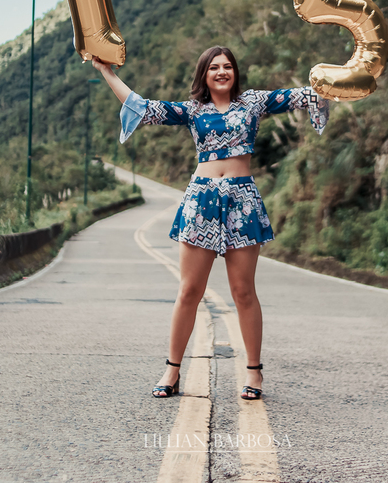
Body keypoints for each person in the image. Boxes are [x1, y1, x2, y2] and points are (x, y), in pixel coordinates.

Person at [92, 46, 329, 400]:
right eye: (214, 67)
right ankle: (171, 372)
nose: (222, 71)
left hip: (242, 201)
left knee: (243, 291)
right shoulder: (192, 111)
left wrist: (346, 77)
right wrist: (107, 72)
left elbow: (307, 93)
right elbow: (141, 106)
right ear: (203, 74)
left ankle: (254, 374)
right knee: (189, 290)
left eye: (228, 66)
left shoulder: (254, 102)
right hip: (201, 200)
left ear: (236, 72)